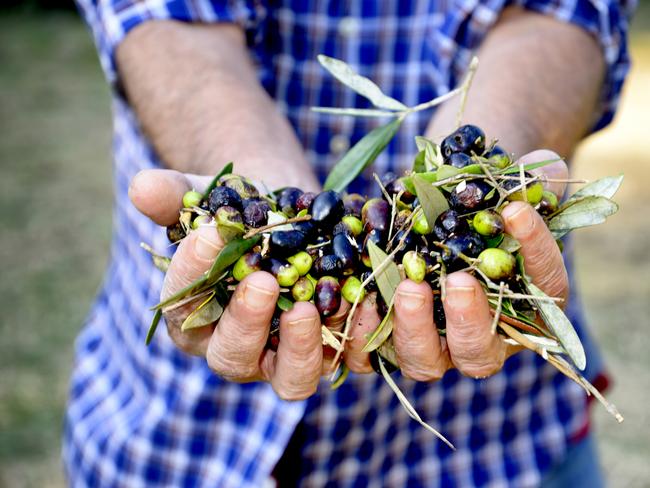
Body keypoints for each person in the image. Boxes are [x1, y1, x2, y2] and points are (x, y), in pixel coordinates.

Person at [66, 0, 632, 486]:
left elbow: (561, 14)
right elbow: (166, 20)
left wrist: (480, 183)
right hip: (178, 441)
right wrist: (252, 199)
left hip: (495, 447)